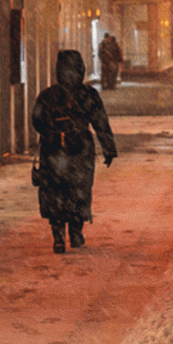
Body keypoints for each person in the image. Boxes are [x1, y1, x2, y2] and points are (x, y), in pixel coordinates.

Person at [31, 49, 117, 253]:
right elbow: (100, 122)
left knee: (54, 192)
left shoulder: (48, 95)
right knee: (79, 191)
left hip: (53, 151)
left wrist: (51, 134)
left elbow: (36, 119)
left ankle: (58, 234)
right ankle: (76, 232)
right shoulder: (88, 95)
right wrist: (109, 148)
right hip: (80, 151)